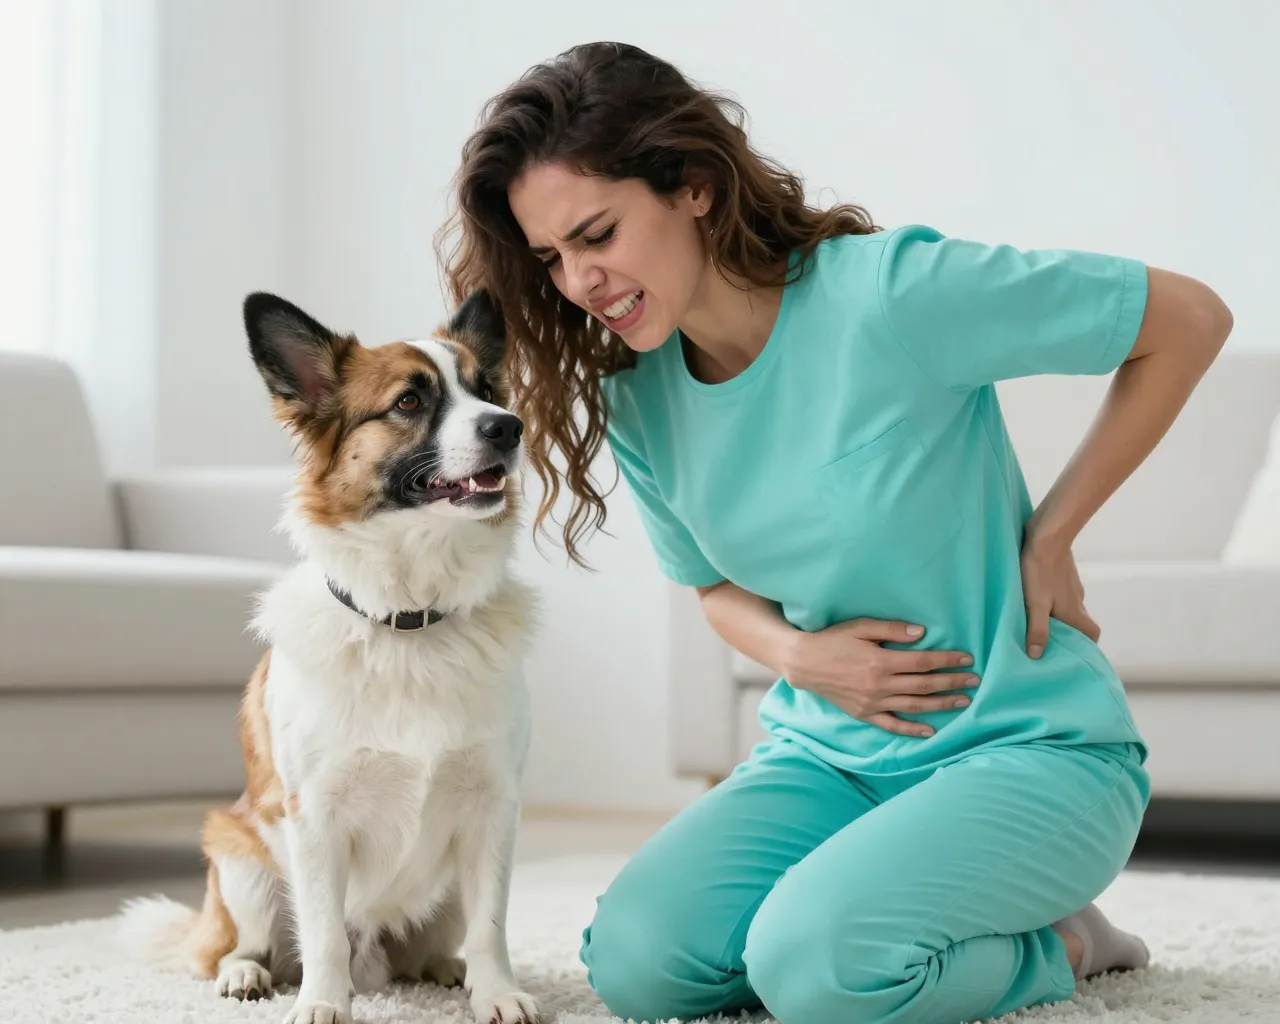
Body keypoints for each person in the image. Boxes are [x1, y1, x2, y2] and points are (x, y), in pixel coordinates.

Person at [435, 41, 1233, 1024]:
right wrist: (800, 656)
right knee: (637, 963)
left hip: (1029, 749)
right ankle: (900, 906)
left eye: (596, 234)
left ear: (690, 186)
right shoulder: (640, 398)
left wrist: (1050, 534)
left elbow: (1187, 318)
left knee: (813, 969)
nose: (579, 281)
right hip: (829, 757)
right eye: (552, 259)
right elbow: (712, 587)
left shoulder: (887, 293)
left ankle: (1062, 940)